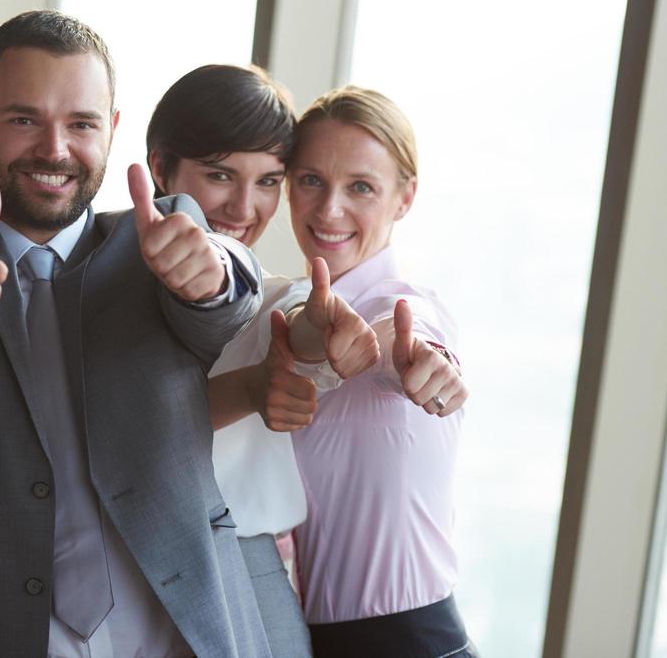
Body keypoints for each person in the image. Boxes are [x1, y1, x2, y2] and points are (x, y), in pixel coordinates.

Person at [0, 11, 273, 657]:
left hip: (175, 628)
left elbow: (231, 286)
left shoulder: (159, 238)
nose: (55, 149)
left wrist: (211, 275)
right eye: (23, 119)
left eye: (81, 124)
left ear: (112, 129)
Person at [151, 71, 472, 657]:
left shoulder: (400, 306)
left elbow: (400, 341)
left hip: (412, 640)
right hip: (317, 635)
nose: (330, 208)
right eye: (310, 180)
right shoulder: (277, 311)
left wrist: (429, 364)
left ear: (406, 197)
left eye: (361, 188)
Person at [145, 64, 380, 658]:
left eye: (269, 181)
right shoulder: (92, 286)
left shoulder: (272, 295)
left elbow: (296, 322)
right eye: (220, 175)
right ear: (159, 167)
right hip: (120, 562)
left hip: (246, 561)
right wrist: (252, 388)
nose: (244, 207)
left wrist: (321, 331)